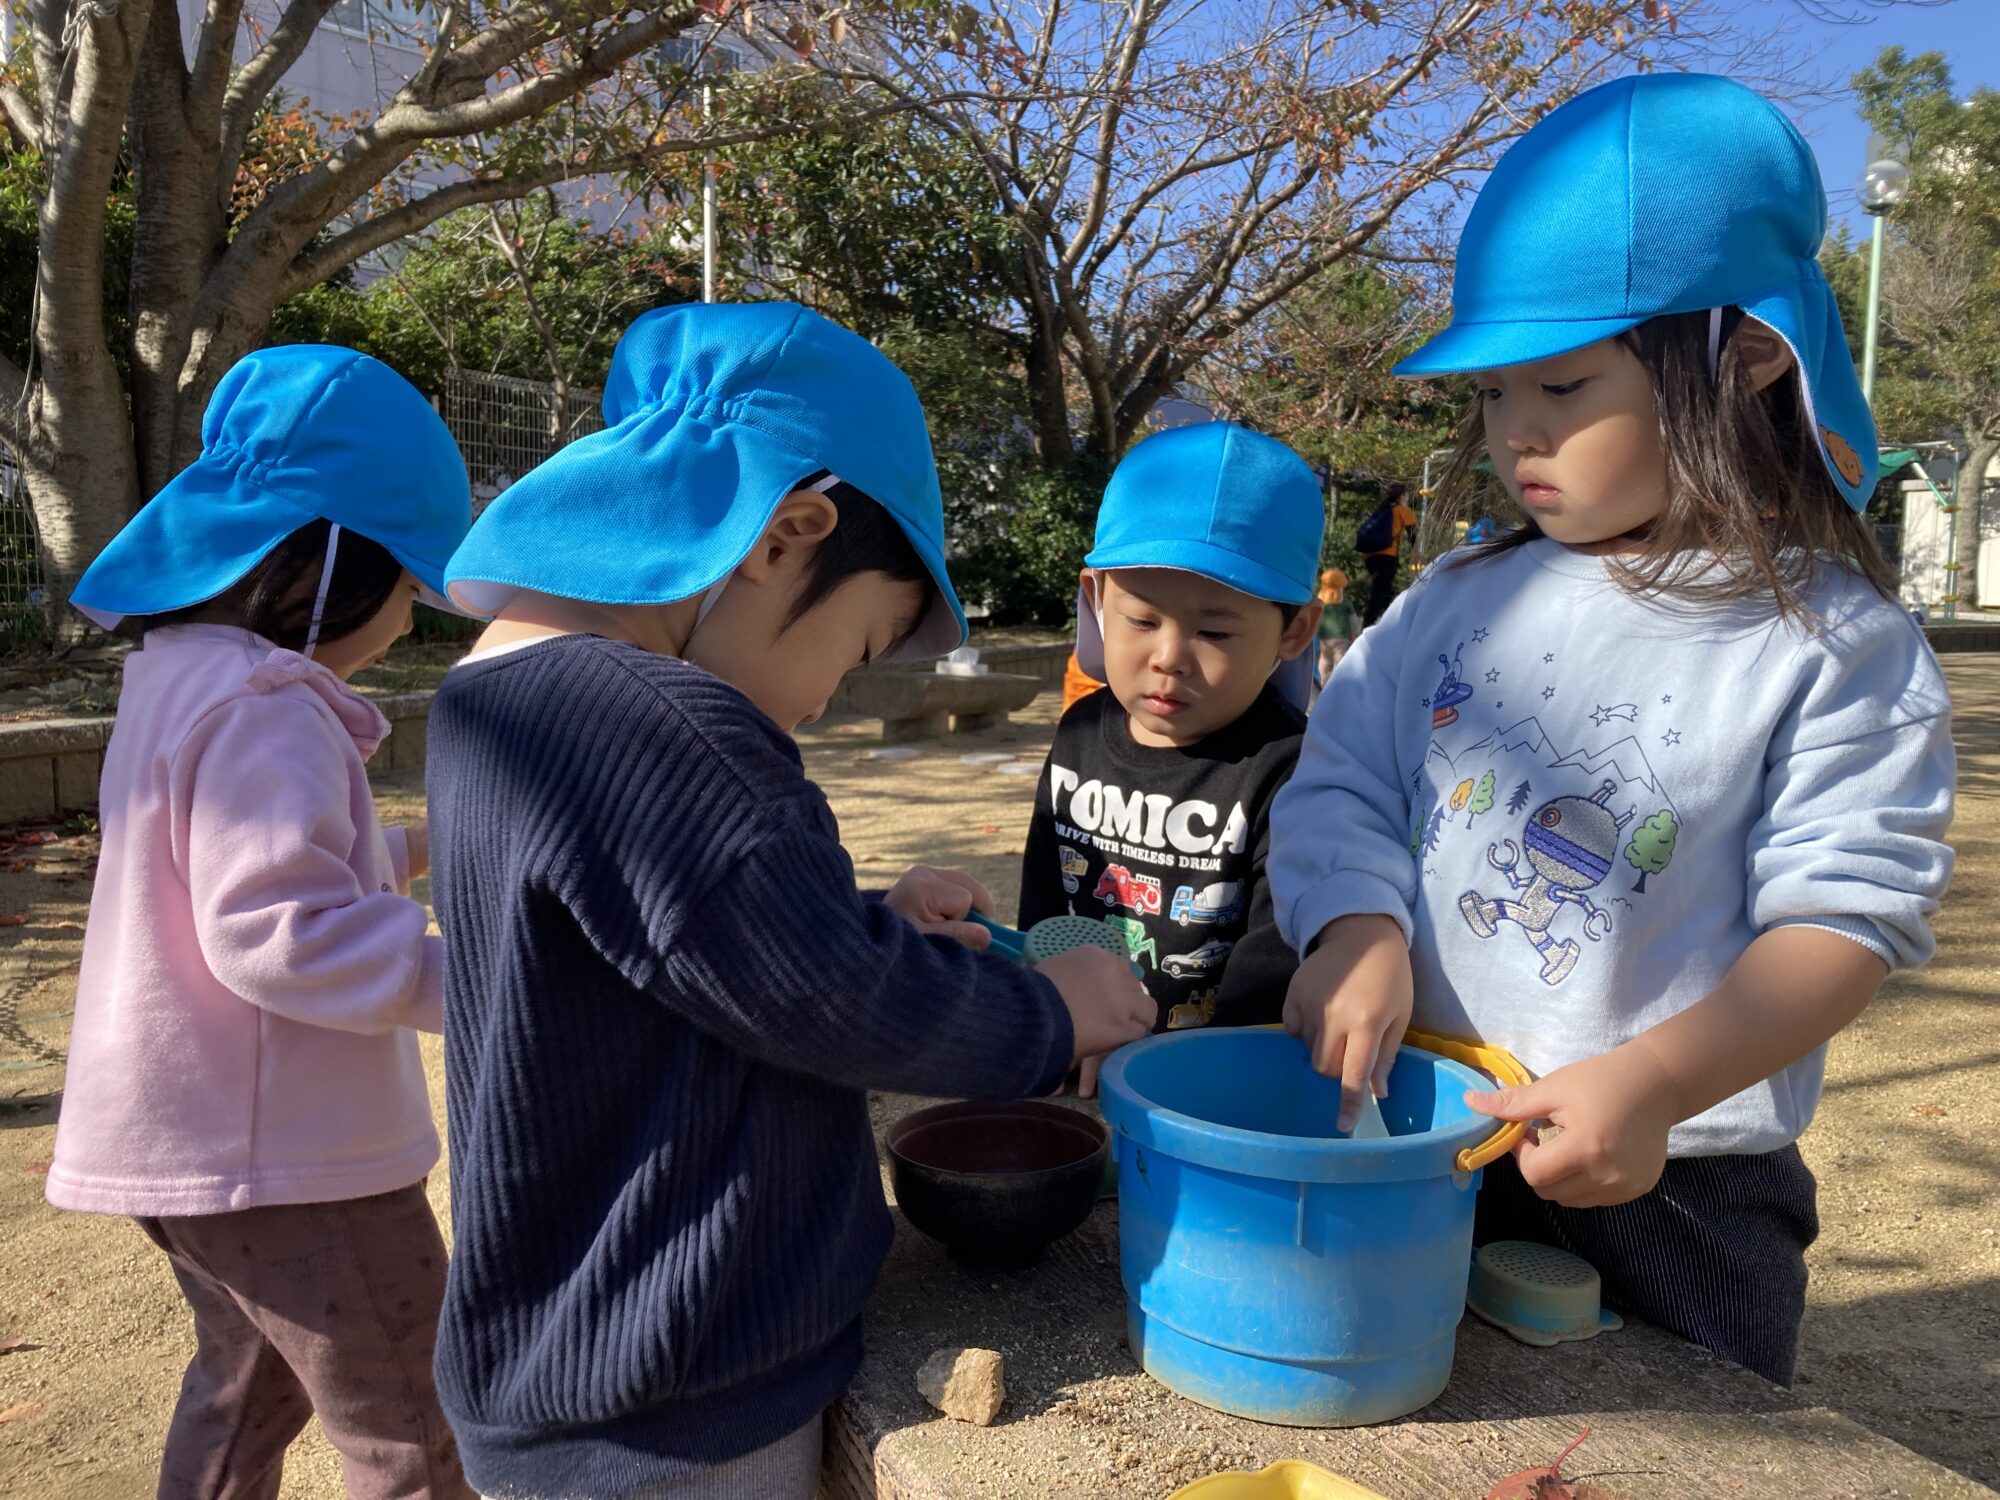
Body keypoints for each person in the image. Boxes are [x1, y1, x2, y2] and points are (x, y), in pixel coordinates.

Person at [1269, 73, 1955, 1389]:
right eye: (1495, 393)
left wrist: (1649, 1083)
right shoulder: (1452, 604)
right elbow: (1342, 778)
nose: (1516, 433)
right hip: (1424, 1133)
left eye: (1566, 386)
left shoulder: (1832, 644)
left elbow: (1843, 924)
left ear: (1747, 354)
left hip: (1683, 1183)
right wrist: (1354, 928)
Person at [426, 302, 1156, 1499]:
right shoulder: (663, 723)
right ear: (787, 533)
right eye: (857, 650)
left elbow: (678, 946)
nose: (823, 702)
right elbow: (820, 994)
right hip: (677, 1388)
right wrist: (1050, 1014)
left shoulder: (492, 700)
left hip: (570, 1349)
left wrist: (861, 910)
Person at [46, 346, 477, 1496]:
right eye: (408, 593)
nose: (406, 625)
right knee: (413, 1425)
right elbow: (277, 930)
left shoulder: (179, 679)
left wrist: (433, 848)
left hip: (178, 1144)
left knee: (247, 1386)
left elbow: (240, 885)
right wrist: (491, 979)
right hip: (285, 1162)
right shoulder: (271, 711)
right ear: (331, 566)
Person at [1018, 421, 1323, 1078]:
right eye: (1142, 620)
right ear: (1097, 599)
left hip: (1209, 1081)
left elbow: (1275, 959)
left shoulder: (1290, 767)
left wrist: (1193, 1076)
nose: (1168, 658)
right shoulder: (1077, 733)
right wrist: (1046, 1012)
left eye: (1214, 631)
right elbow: (1044, 900)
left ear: (1294, 629)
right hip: (1074, 1057)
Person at [1357, 481, 1419, 625]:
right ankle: (1367, 626)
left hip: (1370, 557)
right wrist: (1417, 554)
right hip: (1387, 556)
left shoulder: (1381, 510)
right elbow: (1413, 535)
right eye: (1406, 494)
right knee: (1379, 593)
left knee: (1385, 591)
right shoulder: (1403, 510)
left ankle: (1396, 623)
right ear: (1402, 495)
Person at [1315, 566, 1359, 682]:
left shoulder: (1320, 602)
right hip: (1342, 637)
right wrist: (1354, 633)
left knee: (1325, 658)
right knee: (1340, 659)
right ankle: (1340, 682)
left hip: (1324, 637)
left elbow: (1315, 618)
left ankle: (1324, 679)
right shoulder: (1345, 603)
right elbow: (1353, 620)